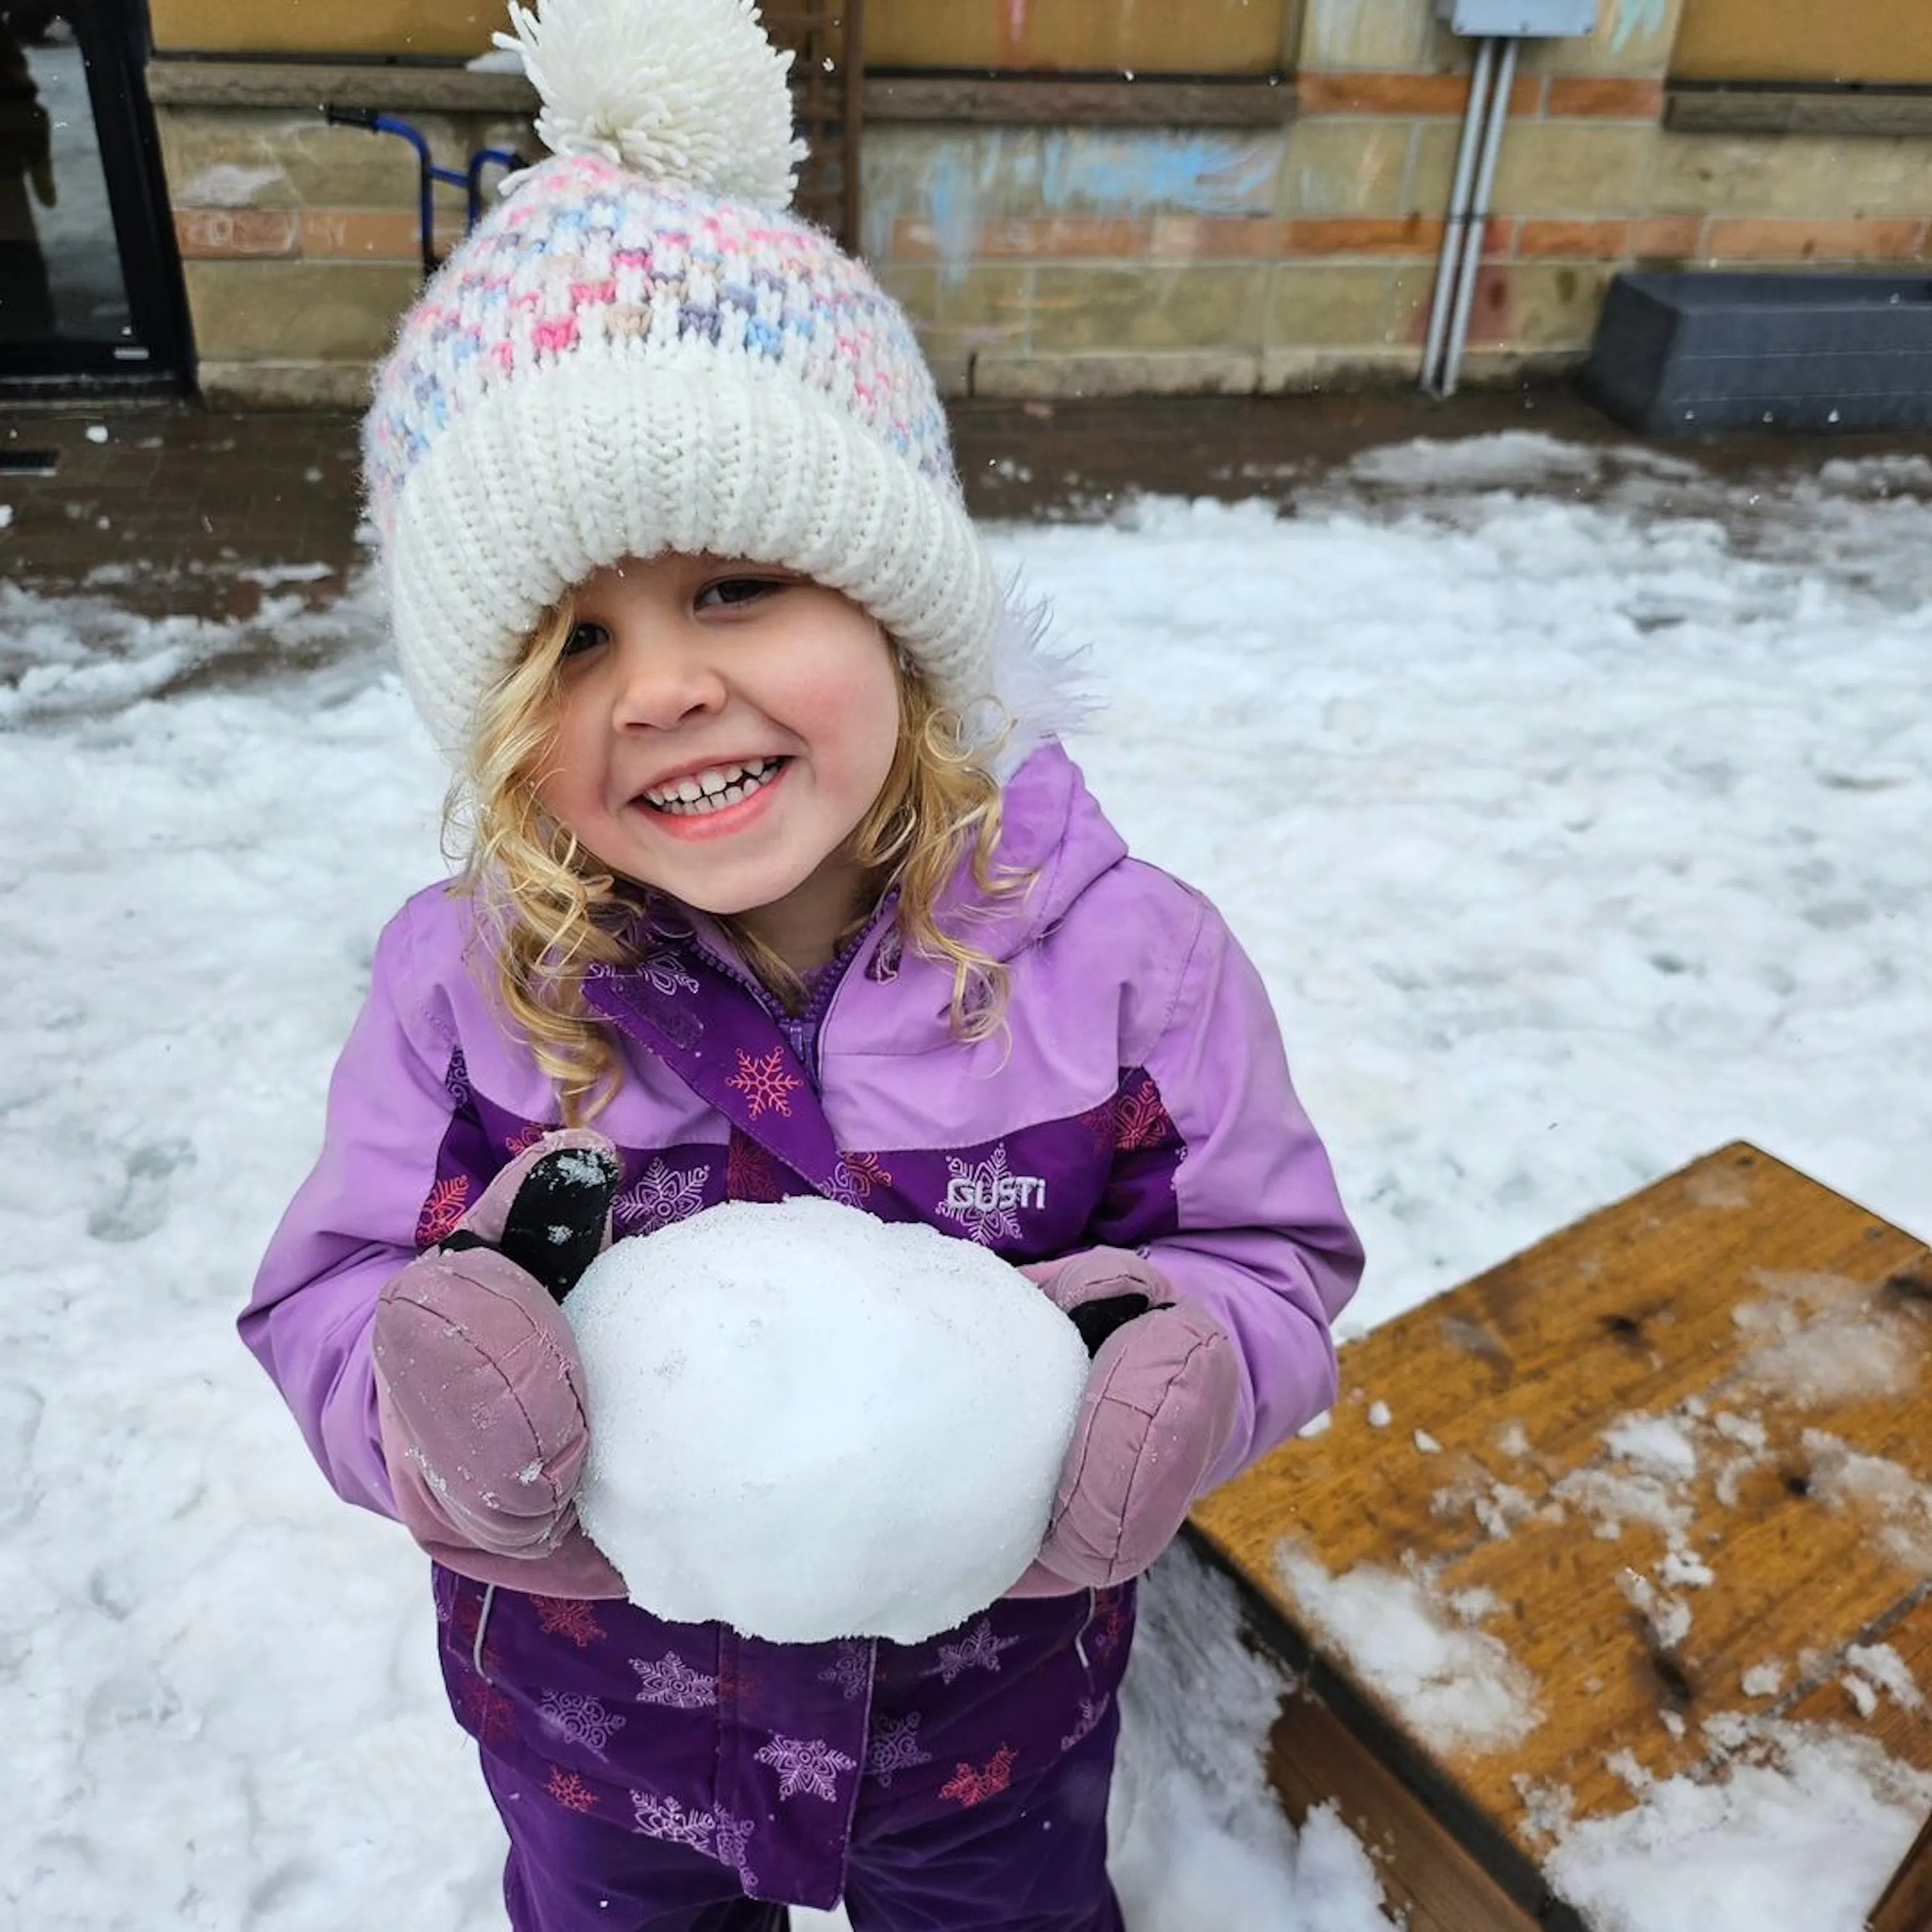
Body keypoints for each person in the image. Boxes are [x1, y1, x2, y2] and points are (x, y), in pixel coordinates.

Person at [241, 2, 1363, 1928]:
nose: (666, 685)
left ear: (898, 610)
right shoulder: (470, 996)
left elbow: (1267, 1256)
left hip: (987, 1720)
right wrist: (442, 1419)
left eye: (735, 586)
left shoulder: (1124, 964)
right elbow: (328, 1297)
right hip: (600, 1729)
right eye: (573, 645)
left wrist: (1164, 1377)